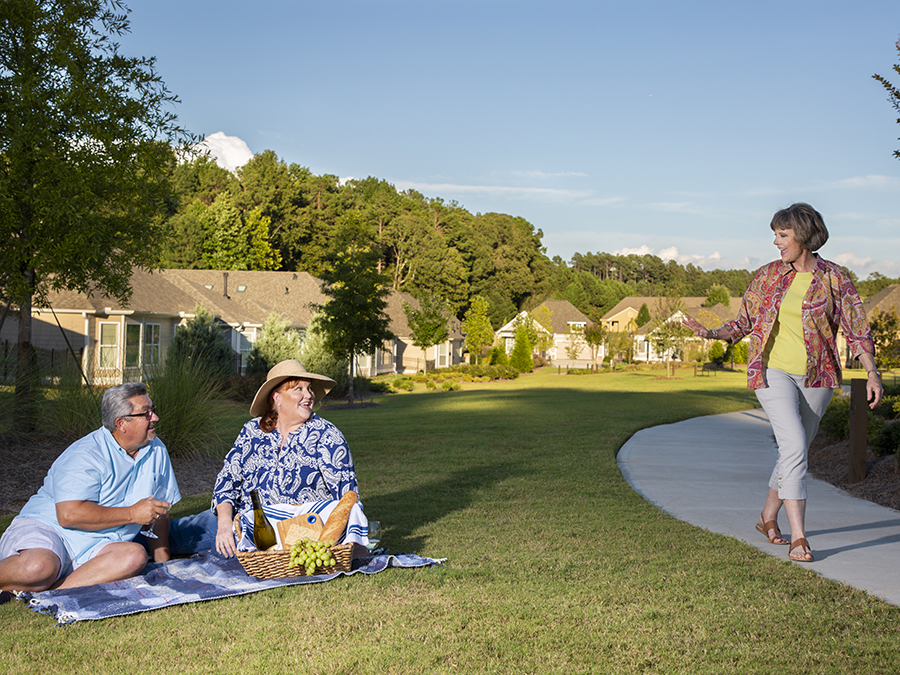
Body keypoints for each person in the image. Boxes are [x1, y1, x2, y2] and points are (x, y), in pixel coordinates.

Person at [683, 202, 883, 563]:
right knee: (792, 445)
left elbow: (857, 329)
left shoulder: (835, 278)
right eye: (775, 235)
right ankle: (800, 538)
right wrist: (711, 333)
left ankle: (767, 516)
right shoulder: (767, 276)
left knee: (795, 451)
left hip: (819, 375)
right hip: (771, 370)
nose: (776, 242)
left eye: (782, 234)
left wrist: (872, 372)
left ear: (804, 236)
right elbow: (743, 322)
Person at [169, 359, 360, 558]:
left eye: (309, 388)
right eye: (298, 389)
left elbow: (348, 500)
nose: (308, 395)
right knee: (167, 536)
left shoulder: (327, 436)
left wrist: (349, 546)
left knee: (213, 558)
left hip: (294, 536)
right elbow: (227, 480)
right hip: (240, 523)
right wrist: (224, 526)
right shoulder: (252, 431)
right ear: (276, 397)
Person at [0, 383, 180, 592]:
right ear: (121, 423)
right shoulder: (86, 454)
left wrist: (162, 567)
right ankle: (34, 580)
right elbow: (68, 515)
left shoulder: (157, 450)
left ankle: (54, 592)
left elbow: (160, 513)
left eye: (153, 410)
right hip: (51, 529)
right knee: (40, 567)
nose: (154, 418)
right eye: (146, 414)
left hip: (100, 544)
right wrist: (132, 514)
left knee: (135, 556)